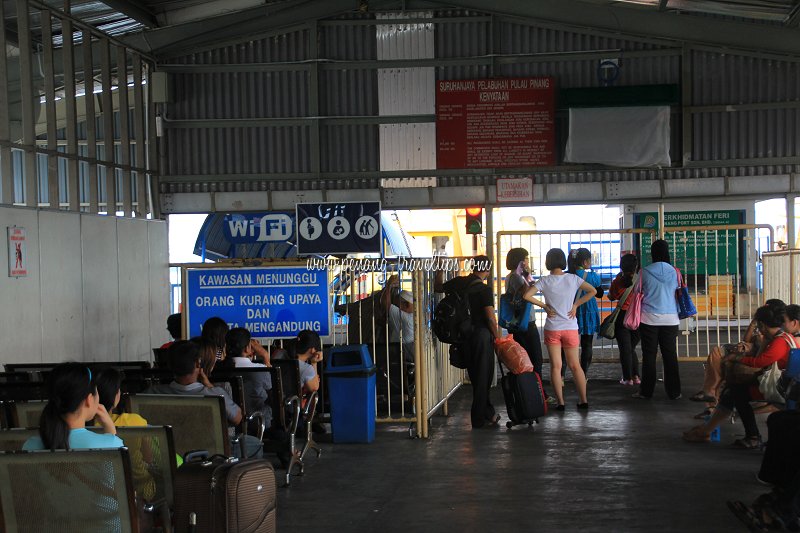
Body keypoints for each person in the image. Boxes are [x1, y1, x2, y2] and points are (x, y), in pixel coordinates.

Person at [683, 302, 795, 448]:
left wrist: (737, 358)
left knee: (737, 392)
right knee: (733, 392)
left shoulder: (780, 341)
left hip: (778, 388)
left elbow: (760, 362)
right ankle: (708, 430)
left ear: (762, 325)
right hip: (782, 384)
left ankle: (750, 436)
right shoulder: (777, 338)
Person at [145, 339, 262, 459]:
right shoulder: (215, 395)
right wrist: (210, 386)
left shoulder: (151, 394)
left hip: (169, 455)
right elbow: (238, 418)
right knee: (254, 444)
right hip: (212, 455)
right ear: (198, 363)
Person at [523, 248, 596, 411]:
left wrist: (545, 306)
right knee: (575, 365)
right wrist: (576, 305)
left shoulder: (545, 280)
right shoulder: (573, 279)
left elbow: (526, 296)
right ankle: (583, 400)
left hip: (552, 328)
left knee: (556, 366)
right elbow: (593, 291)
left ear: (548, 262)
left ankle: (561, 403)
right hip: (570, 327)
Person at [688, 298, 785, 419]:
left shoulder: (778, 336)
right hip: (753, 356)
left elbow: (760, 360)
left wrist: (736, 358)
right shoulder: (768, 332)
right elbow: (747, 341)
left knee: (728, 368)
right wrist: (754, 323)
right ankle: (711, 397)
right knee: (717, 354)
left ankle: (715, 405)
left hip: (763, 368)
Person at [435, 255, 501, 428]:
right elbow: (490, 318)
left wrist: (440, 269)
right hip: (481, 337)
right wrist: (499, 339)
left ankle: (489, 413)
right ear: (487, 269)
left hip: (463, 336)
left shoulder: (459, 282)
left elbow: (437, 287)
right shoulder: (484, 290)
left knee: (476, 376)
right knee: (483, 378)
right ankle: (478, 419)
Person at [23, 362, 123, 451]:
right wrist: (111, 431)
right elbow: (113, 471)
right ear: (89, 399)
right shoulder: (110, 445)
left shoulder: (30, 445)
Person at [94, 367, 156, 501]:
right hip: (140, 492)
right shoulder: (135, 422)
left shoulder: (81, 428)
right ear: (116, 395)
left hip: (96, 497)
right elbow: (149, 459)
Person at [633, 239, 682, 400]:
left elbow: (637, 291)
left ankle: (646, 391)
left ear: (652, 253)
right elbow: (679, 291)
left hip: (649, 319)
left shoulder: (644, 272)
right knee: (670, 355)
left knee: (649, 355)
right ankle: (674, 392)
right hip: (671, 319)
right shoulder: (675, 272)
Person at [504, 247, 550, 402]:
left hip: (521, 323)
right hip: (526, 324)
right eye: (526, 258)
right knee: (535, 360)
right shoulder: (516, 278)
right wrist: (525, 273)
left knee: (528, 360)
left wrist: (526, 274)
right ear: (520, 261)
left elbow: (530, 286)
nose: (528, 261)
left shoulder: (512, 276)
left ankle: (534, 393)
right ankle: (539, 394)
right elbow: (528, 291)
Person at [223, 327, 273, 431]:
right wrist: (265, 357)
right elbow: (272, 389)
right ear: (247, 348)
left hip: (228, 423)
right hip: (257, 422)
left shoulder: (219, 368)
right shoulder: (259, 369)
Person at [568, 248, 603, 375]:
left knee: (567, 344)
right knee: (587, 344)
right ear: (585, 262)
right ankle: (584, 374)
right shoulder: (592, 277)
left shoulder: (568, 275)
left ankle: (561, 375)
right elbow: (599, 289)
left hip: (570, 310)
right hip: (588, 310)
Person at [608, 254, 641, 386]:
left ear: (621, 266)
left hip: (622, 316)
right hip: (638, 316)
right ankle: (636, 376)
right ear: (636, 266)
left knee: (625, 349)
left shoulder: (617, 281)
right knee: (631, 348)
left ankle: (628, 378)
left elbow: (611, 296)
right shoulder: (640, 279)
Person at [294, 329, 324, 395]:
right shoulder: (306, 369)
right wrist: (314, 363)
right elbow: (314, 387)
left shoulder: (280, 355)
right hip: (291, 403)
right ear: (312, 350)